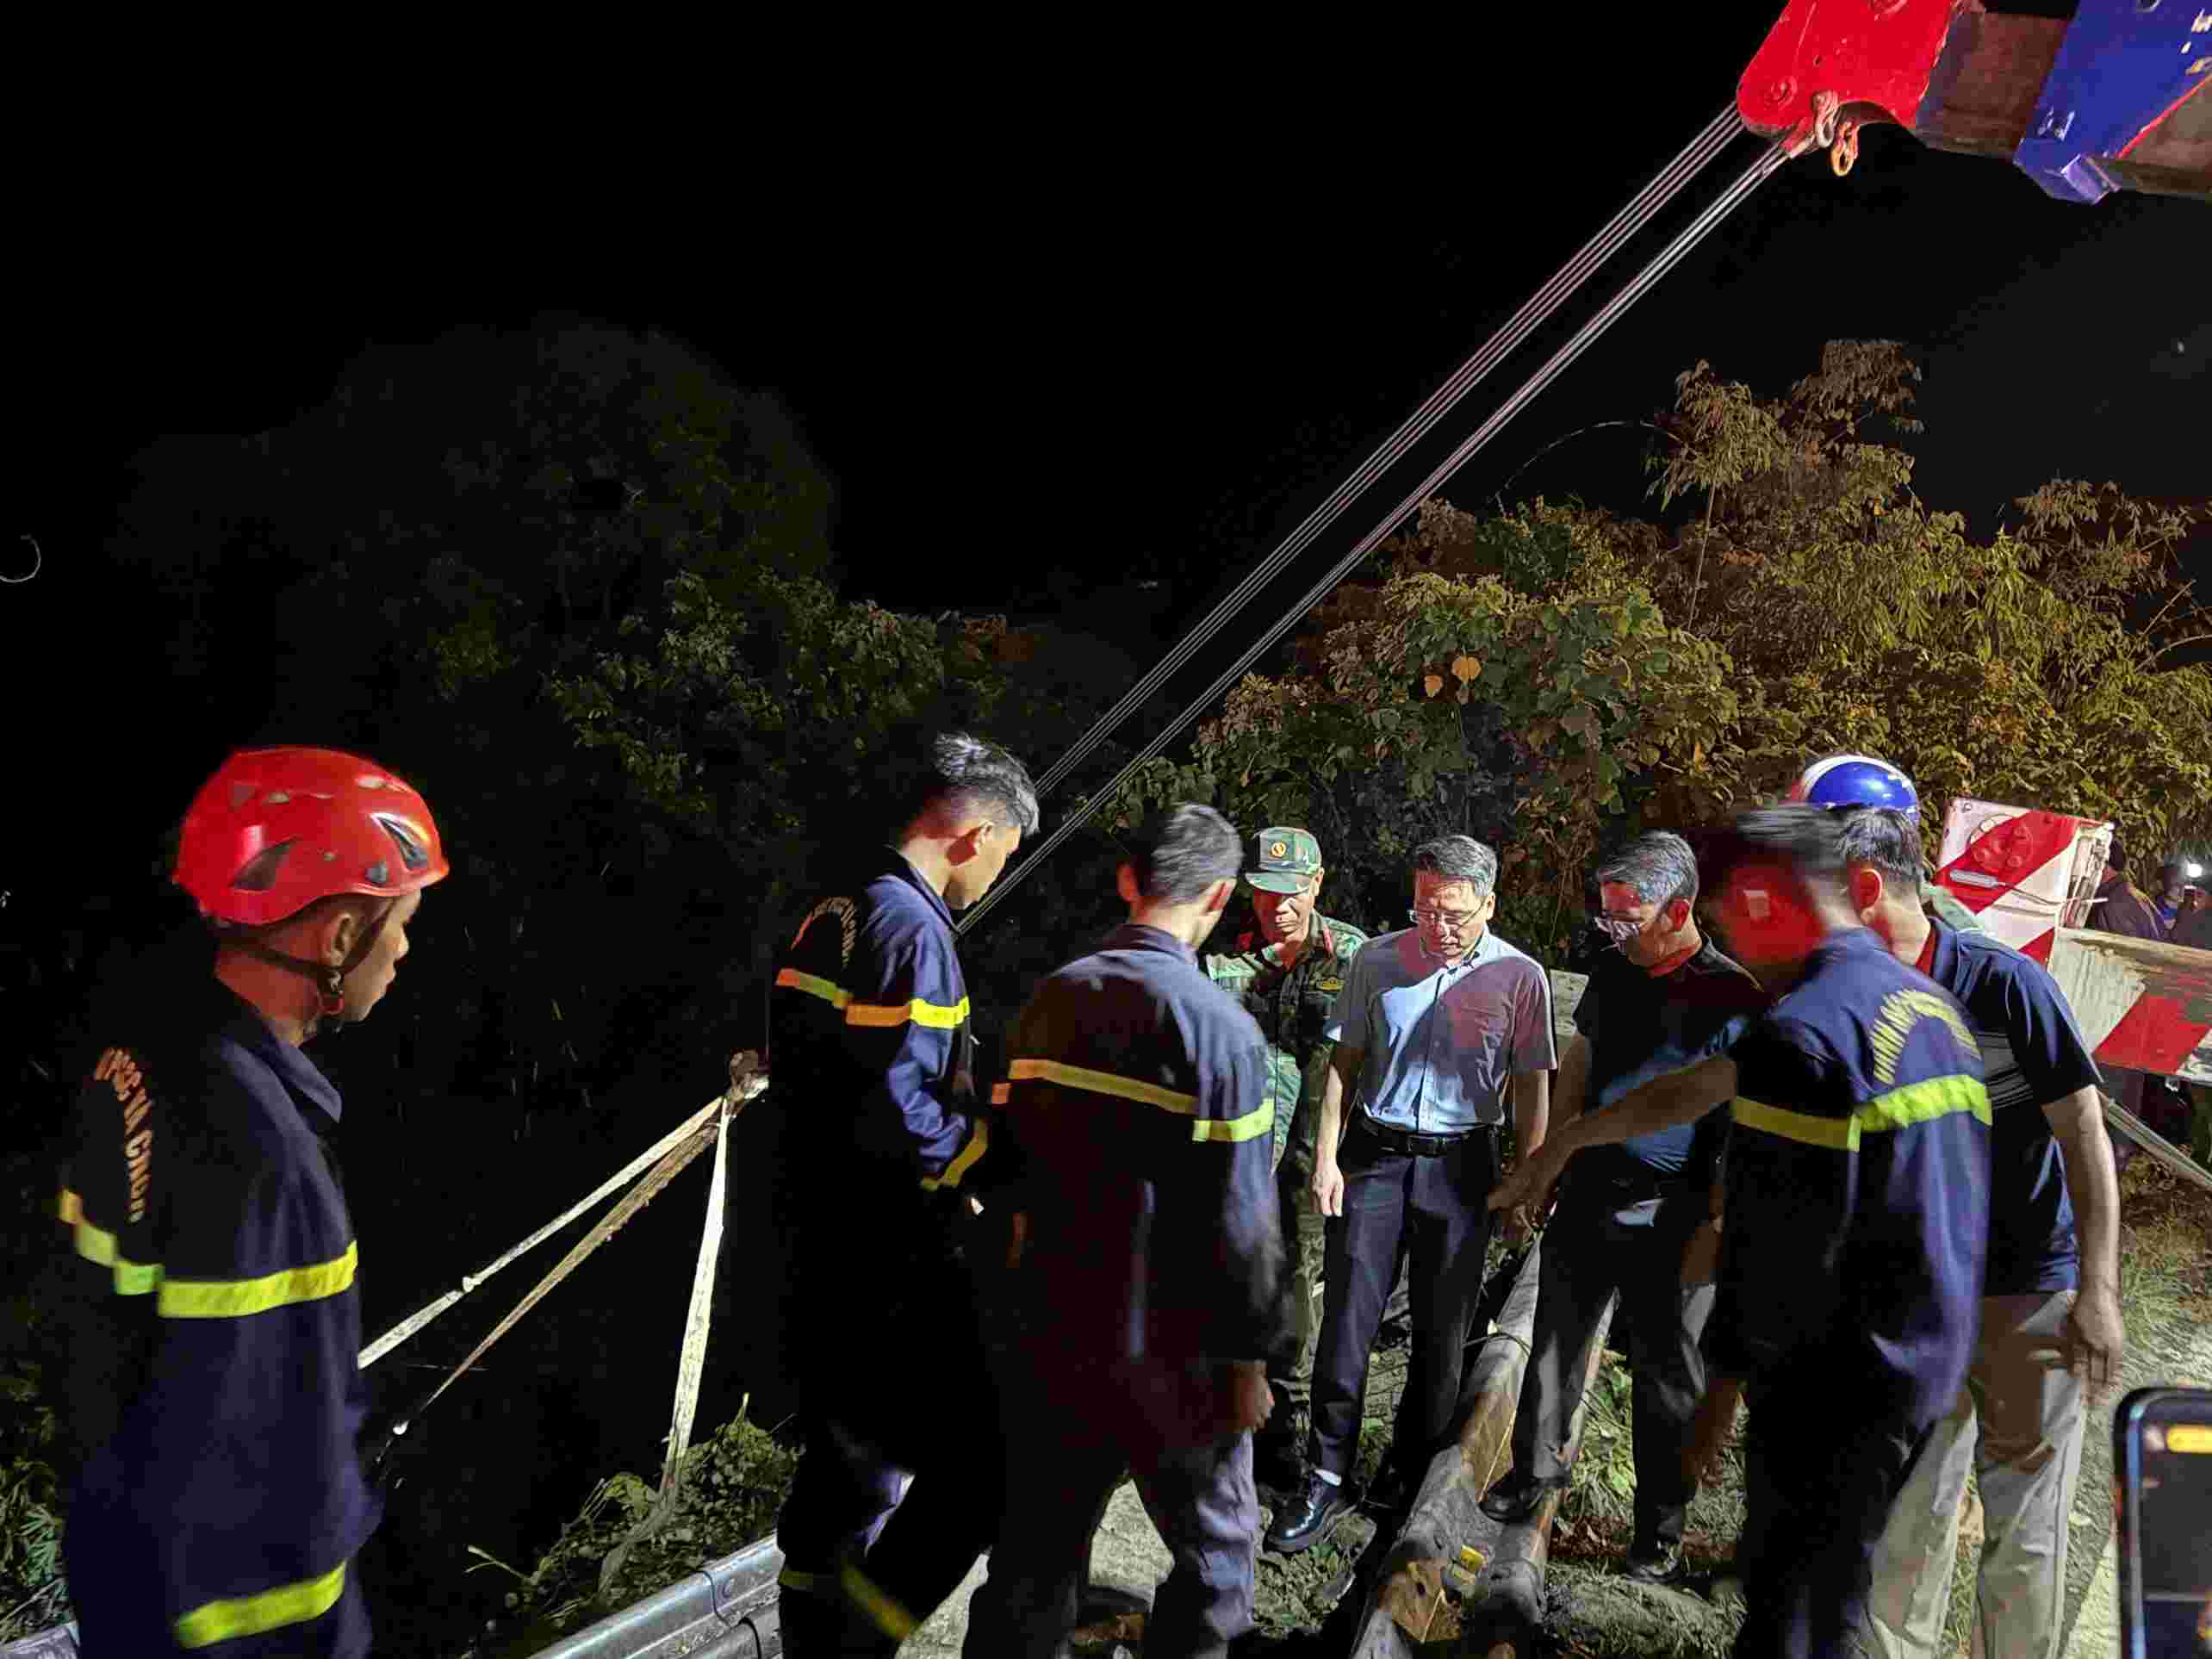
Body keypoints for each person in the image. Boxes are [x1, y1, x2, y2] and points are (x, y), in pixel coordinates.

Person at [1493, 805, 1991, 1658]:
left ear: (1763, 902)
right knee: (1829, 1587)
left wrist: (1719, 1401)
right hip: (1919, 1360)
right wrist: (1565, 1145)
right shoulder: (1917, 1006)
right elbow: (1692, 1089)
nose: (1730, 938)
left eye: (1728, 913)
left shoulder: (1805, 1034)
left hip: (1837, 1377)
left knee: (1794, 1614)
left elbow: (1777, 1257)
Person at [46, 746, 450, 1658]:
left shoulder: (137, 1058)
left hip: (119, 1585)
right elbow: (262, 1497)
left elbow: (111, 1363)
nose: (407, 948)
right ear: (340, 938)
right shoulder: (270, 1165)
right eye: (402, 920)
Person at [963, 805, 1286, 1659]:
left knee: (1032, 1559)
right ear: (1220, 896)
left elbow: (1003, 1172)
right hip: (1174, 1353)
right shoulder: (1222, 1034)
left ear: (1126, 880)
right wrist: (1248, 1365)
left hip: (1051, 1338)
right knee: (1217, 1559)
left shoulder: (1053, 999)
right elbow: (1244, 1227)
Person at [766, 730, 1039, 1652]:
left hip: (813, 1226)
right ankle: (857, 1642)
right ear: (975, 836)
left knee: (840, 1468)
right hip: (884, 1242)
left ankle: (810, 1626)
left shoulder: (836, 907)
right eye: (1006, 851)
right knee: (969, 1462)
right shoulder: (915, 931)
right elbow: (902, 1103)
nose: (1000, 873)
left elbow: (812, 1067)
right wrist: (987, 1163)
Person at [1837, 805, 2124, 1659]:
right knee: (1902, 1518)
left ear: (1881, 891)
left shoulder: (2005, 986)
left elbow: (2083, 1133)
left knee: (2024, 1527)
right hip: (1916, 1295)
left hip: (2030, 1288)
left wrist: (2099, 1292)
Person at [1479, 833, 1765, 1588]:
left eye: (1626, 918)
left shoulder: (1734, 996)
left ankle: (1657, 1534)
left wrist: (1715, 1223)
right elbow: (1577, 1068)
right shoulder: (1613, 971)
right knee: (1552, 1347)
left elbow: (1741, 1126)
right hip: (1590, 1196)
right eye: (1605, 915)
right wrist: (1548, 1162)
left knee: (1667, 1379)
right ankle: (1532, 1474)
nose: (1611, 931)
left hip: (1677, 1220)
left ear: (1679, 910)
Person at [1267, 835, 1555, 1554]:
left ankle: (1407, 1475)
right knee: (1348, 1324)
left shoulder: (1521, 978)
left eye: (1455, 913)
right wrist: (1327, 1157)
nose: (1439, 926)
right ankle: (1325, 1476)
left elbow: (1531, 1085)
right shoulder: (1378, 960)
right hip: (1376, 1157)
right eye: (1426, 909)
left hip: (1463, 1166)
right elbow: (1343, 1063)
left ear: (1488, 903)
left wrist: (1527, 1180)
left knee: (1441, 1331)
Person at [1202, 826, 1376, 1498]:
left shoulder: (1352, 956)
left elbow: (1365, 1058)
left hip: (1312, 1156)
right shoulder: (1220, 950)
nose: (1278, 907)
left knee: (1300, 1287)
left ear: (1316, 884)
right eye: (1265, 893)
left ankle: (1286, 1430)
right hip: (1233, 1150)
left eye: (1291, 892)